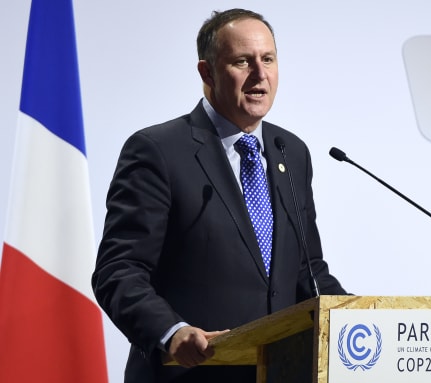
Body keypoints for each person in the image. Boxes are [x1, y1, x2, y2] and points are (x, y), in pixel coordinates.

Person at [92, 8, 347, 383]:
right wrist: (172, 331)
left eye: (268, 59)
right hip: (191, 374)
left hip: (279, 372)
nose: (260, 75)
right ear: (206, 72)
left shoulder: (290, 152)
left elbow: (308, 271)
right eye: (243, 61)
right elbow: (119, 271)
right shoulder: (158, 150)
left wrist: (360, 317)